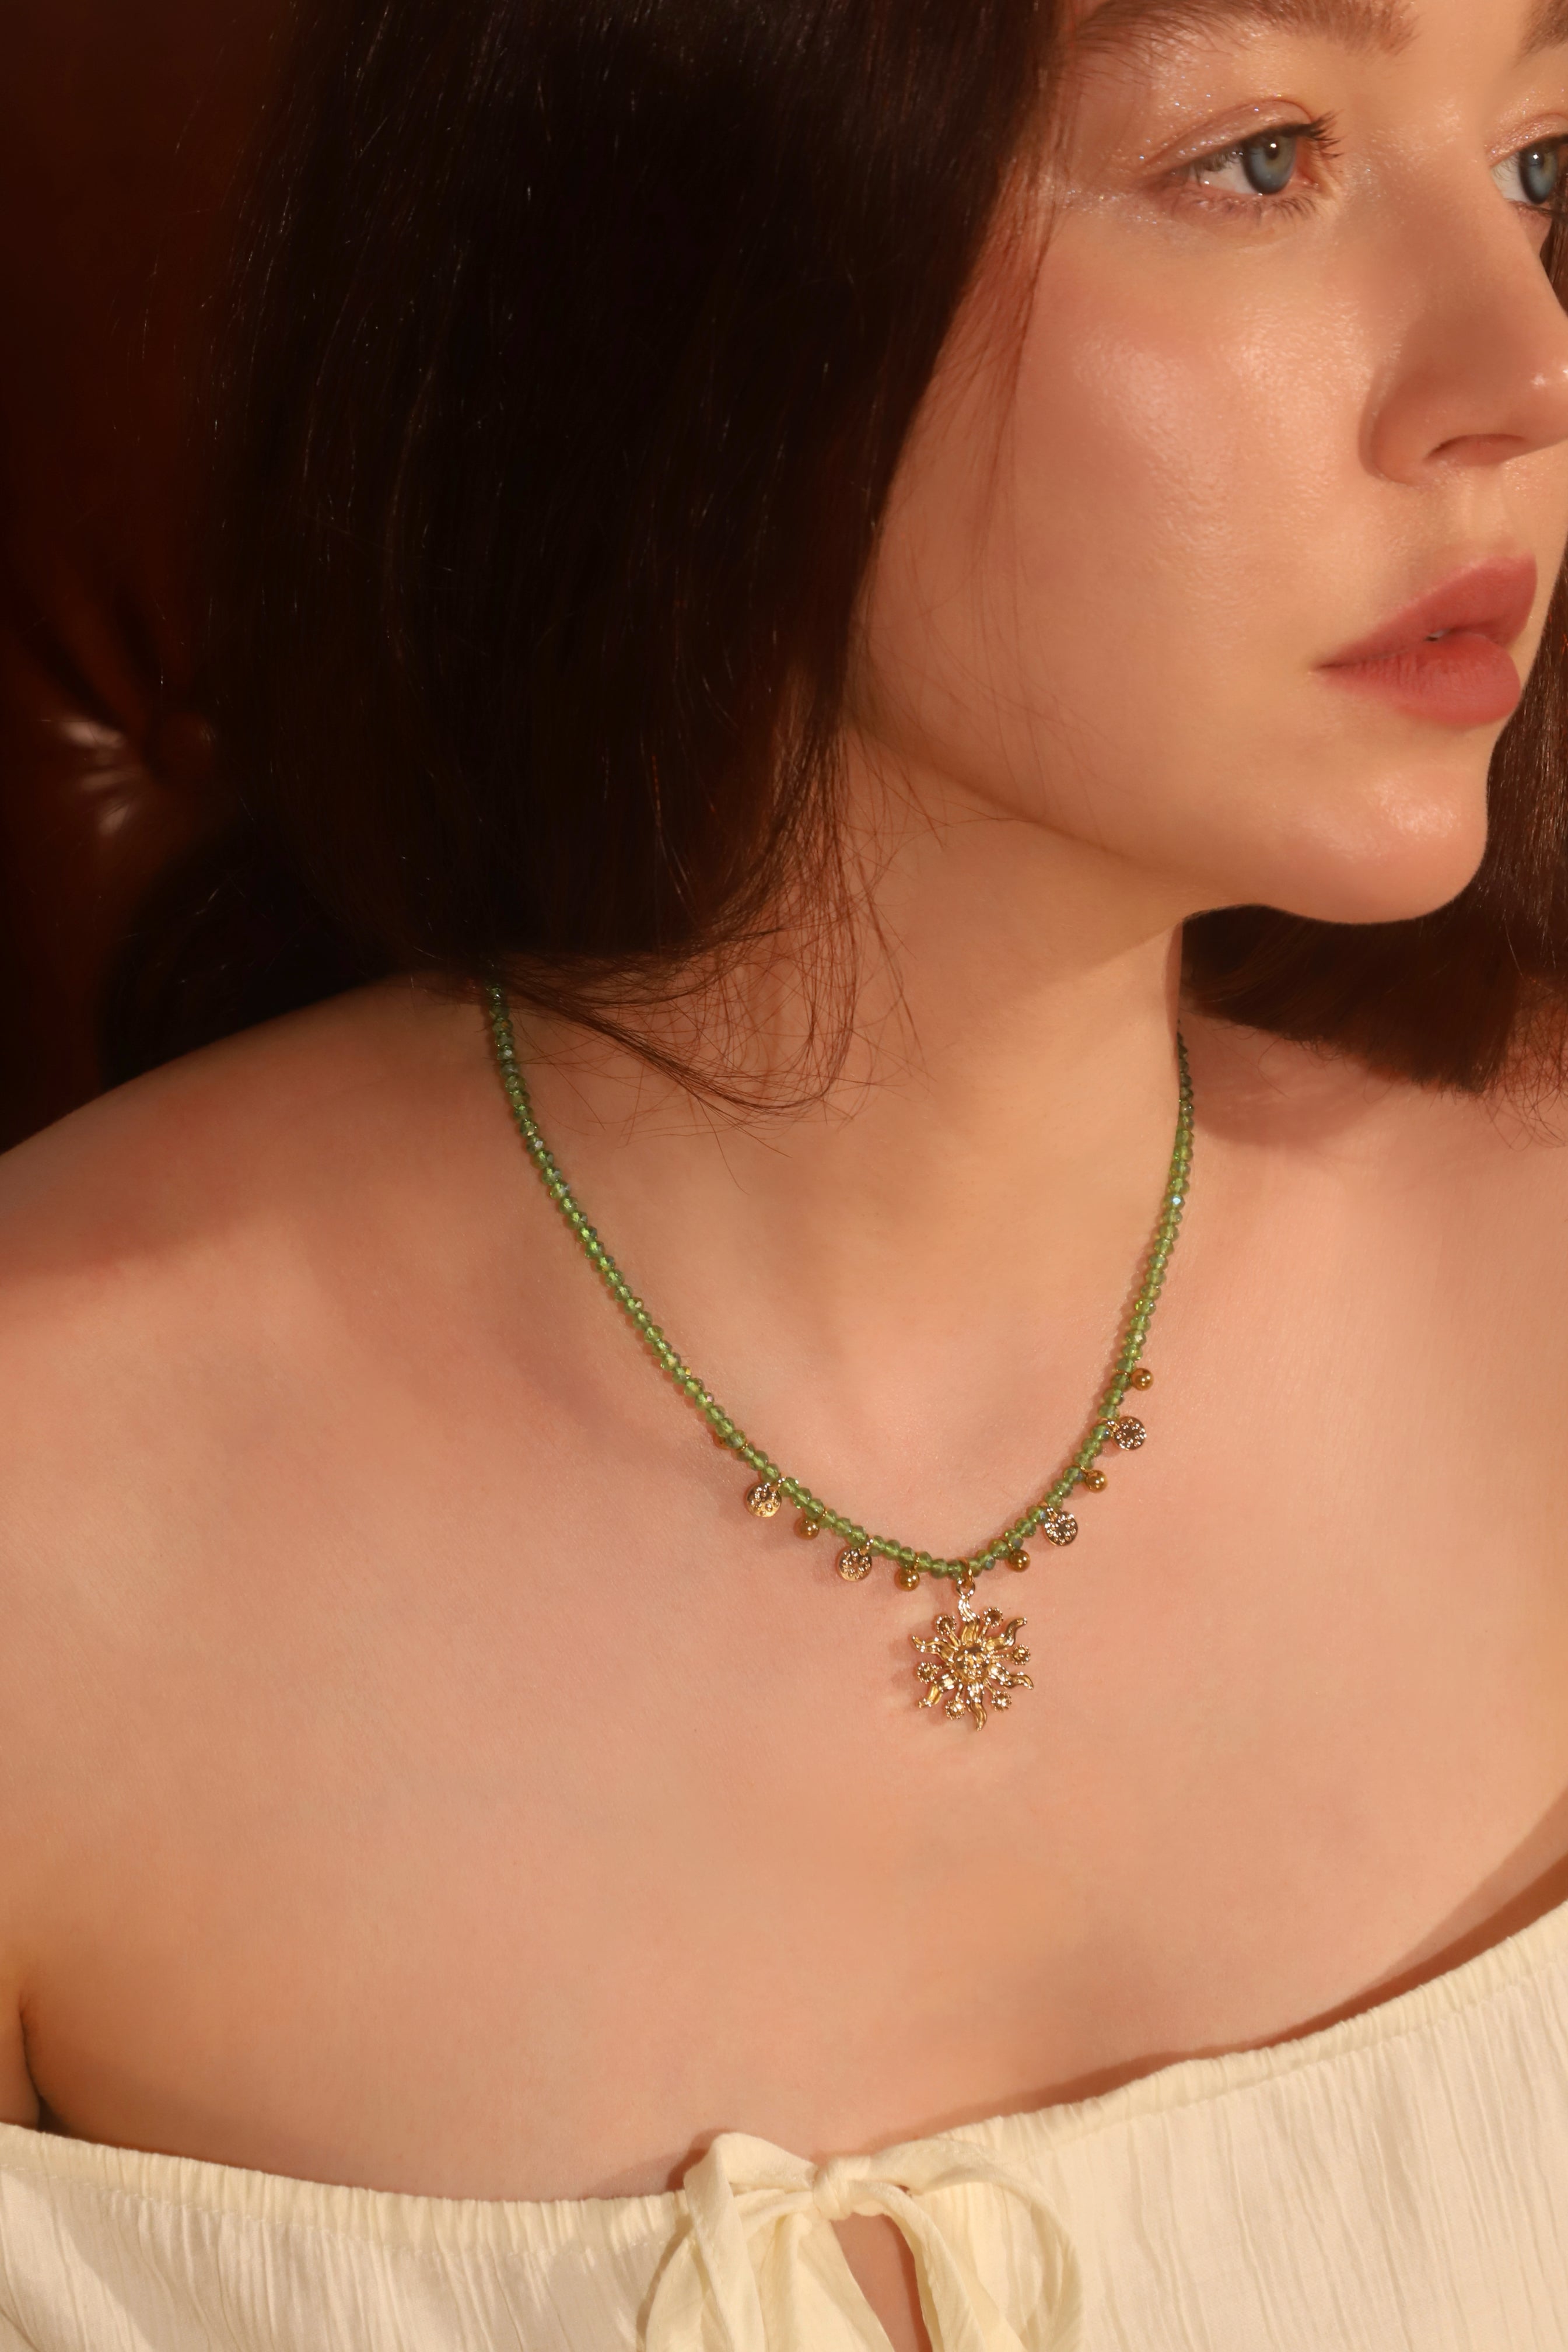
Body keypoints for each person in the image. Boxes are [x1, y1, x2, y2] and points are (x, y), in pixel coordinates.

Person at [2, 0, 1568, 2343]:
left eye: (1544, 169)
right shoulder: (57, 1532)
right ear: (703, 243)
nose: (1521, 371)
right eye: (1262, 159)